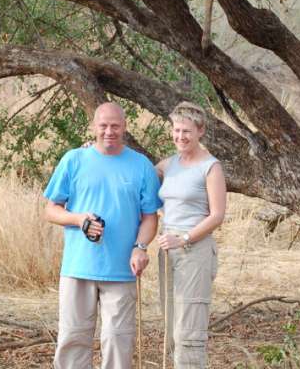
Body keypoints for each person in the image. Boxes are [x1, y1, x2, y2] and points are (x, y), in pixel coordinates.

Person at [44, 102, 162, 369]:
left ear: (125, 127)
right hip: (77, 268)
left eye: (115, 126)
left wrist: (140, 246)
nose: (109, 131)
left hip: (121, 270)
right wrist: (79, 219)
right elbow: (51, 210)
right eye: (103, 125)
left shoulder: (141, 165)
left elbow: (150, 217)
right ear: (93, 127)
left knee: (118, 342)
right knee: (73, 339)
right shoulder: (73, 160)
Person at [155, 101, 227, 369]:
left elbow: (217, 215)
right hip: (167, 250)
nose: (180, 136)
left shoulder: (210, 167)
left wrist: (184, 238)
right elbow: (138, 177)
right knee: (172, 327)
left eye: (186, 131)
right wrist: (95, 151)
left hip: (193, 251)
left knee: (190, 333)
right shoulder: (168, 164)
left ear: (201, 131)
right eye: (176, 130)